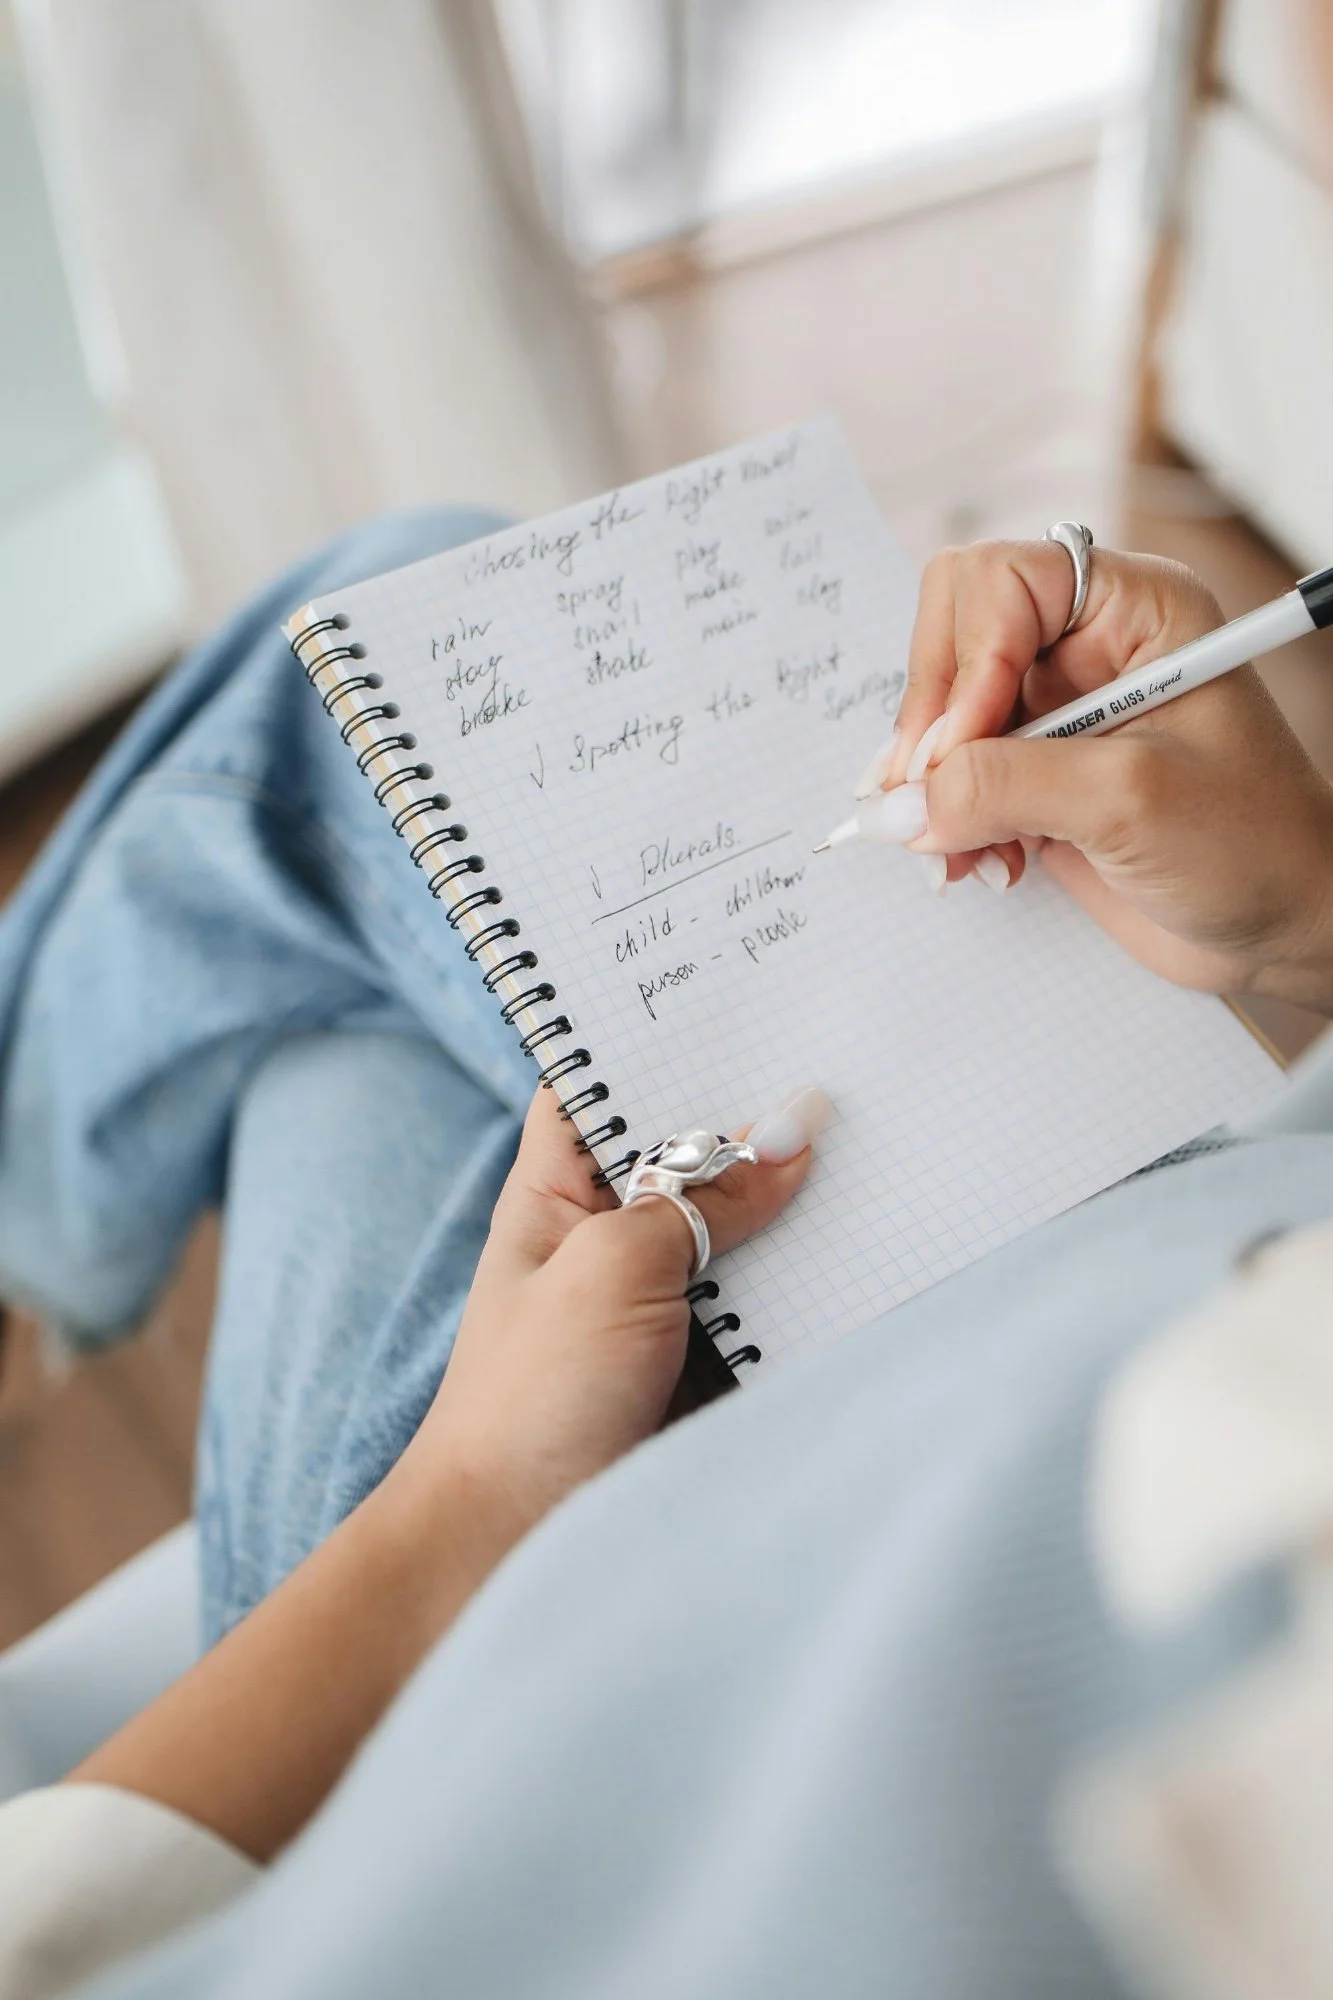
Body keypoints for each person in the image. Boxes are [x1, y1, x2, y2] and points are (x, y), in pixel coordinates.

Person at [1, 512, 1332, 2000]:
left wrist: (478, 1491)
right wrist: (1312, 919)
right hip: (1094, 1268)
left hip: (463, 1704)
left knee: (331, 770)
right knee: (363, 873)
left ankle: (36, 1229)